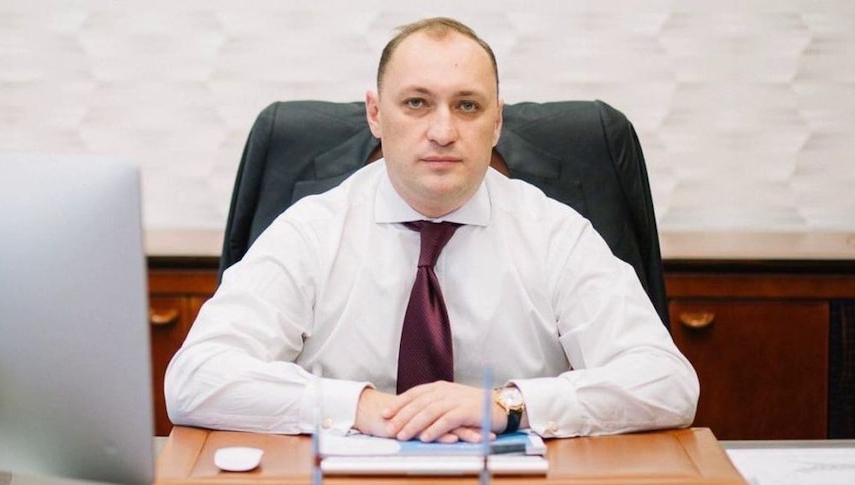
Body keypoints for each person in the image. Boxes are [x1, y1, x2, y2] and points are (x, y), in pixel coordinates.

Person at [165, 17, 698, 444]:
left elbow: (666, 382)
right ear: (376, 114)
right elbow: (196, 377)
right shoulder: (313, 231)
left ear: (496, 122)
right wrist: (359, 407)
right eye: (416, 103)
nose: (443, 131)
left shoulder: (555, 235)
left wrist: (508, 405)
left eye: (467, 106)